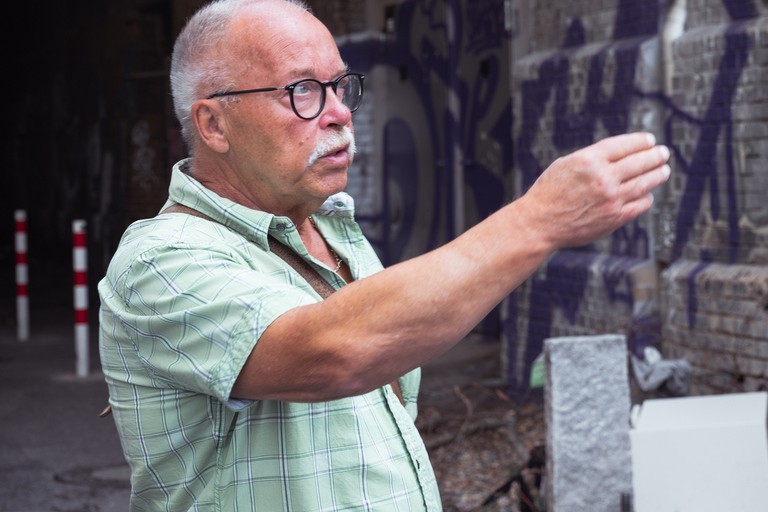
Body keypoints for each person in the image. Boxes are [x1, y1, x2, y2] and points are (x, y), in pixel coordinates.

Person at [98, 0, 671, 510]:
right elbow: (334, 352)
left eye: (340, 85)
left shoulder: (336, 232)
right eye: (301, 91)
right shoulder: (160, 261)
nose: (339, 112)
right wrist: (539, 219)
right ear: (213, 124)